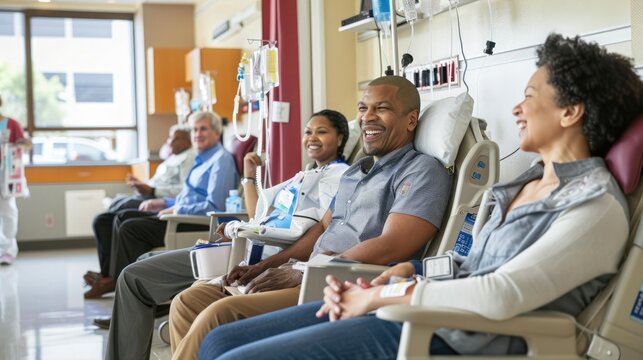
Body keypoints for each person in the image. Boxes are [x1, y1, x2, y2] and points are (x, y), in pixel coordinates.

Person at [198, 33, 643, 359]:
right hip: (418, 307)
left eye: (529, 97)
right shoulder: (521, 184)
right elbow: (471, 265)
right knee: (220, 340)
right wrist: (408, 273)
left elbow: (501, 295)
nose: (515, 109)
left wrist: (383, 297)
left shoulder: (594, 207)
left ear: (570, 110)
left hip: (457, 338)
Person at [168, 75, 453, 360]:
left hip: (339, 282)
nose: (368, 118)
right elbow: (323, 228)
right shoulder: (356, 171)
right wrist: (267, 265)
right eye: (363, 108)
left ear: (411, 120)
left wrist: (304, 271)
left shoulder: (421, 171)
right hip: (305, 270)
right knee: (187, 301)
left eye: (382, 108)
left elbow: (393, 245)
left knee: (219, 316)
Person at [101, 108, 358, 360]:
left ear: (340, 138)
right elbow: (261, 216)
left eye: (321, 132)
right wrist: (247, 183)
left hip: (265, 256)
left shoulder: (339, 177)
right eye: (308, 131)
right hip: (247, 246)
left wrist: (256, 247)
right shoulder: (305, 176)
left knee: (140, 276)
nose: (311, 137)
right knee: (171, 290)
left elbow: (320, 229)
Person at [83, 111, 238, 299]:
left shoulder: (221, 161)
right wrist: (165, 202)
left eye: (203, 129)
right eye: (195, 130)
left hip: (191, 222)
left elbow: (216, 205)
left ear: (216, 132)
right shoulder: (201, 159)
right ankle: (113, 279)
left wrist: (177, 209)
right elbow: (188, 197)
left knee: (129, 227)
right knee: (110, 218)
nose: (197, 134)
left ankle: (127, 293)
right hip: (179, 213)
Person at [84, 125, 195, 286]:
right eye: (170, 137)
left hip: (160, 198)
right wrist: (141, 185)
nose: (170, 142)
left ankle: (114, 277)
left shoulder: (190, 157)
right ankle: (108, 273)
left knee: (120, 214)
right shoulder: (172, 158)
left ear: (187, 141)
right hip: (152, 193)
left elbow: (182, 190)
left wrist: (152, 190)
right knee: (107, 213)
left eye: (176, 138)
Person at [0, 94, 29, 266]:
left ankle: (8, 250)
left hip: (6, 176)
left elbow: (26, 145)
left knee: (8, 213)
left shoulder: (11, 124)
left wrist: (7, 149)